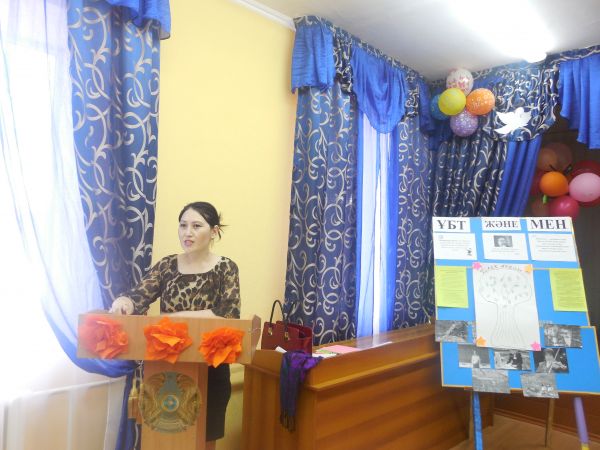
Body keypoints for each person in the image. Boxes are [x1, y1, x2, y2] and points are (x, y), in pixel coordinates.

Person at [110, 201, 240, 450]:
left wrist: (174, 316)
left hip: (211, 368)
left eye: (196, 226)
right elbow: (139, 296)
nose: (187, 232)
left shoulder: (226, 268)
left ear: (214, 231)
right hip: (167, 368)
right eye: (183, 225)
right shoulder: (167, 265)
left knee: (204, 440)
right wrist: (125, 302)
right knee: (164, 439)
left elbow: (227, 314)